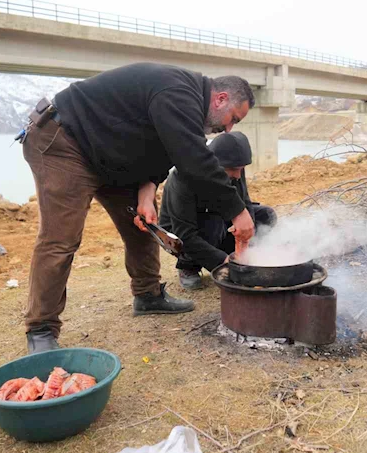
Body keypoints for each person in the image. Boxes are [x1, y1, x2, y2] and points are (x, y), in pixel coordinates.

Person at [21, 63, 256, 354]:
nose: (228, 129)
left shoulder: (184, 105)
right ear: (220, 99)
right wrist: (238, 211)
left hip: (109, 155)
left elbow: (162, 149)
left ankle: (148, 295)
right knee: (61, 239)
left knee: (143, 224)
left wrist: (147, 192)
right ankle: (41, 328)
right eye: (233, 118)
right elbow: (193, 160)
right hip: (66, 141)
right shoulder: (179, 92)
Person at [159, 132, 277, 289]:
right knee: (213, 223)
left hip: (217, 220)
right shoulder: (183, 177)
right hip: (181, 233)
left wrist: (247, 239)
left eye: (241, 169)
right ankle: (189, 266)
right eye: (233, 169)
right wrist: (223, 261)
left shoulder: (235, 168)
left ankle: (240, 258)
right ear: (214, 164)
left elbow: (245, 203)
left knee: (266, 215)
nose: (237, 175)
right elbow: (184, 234)